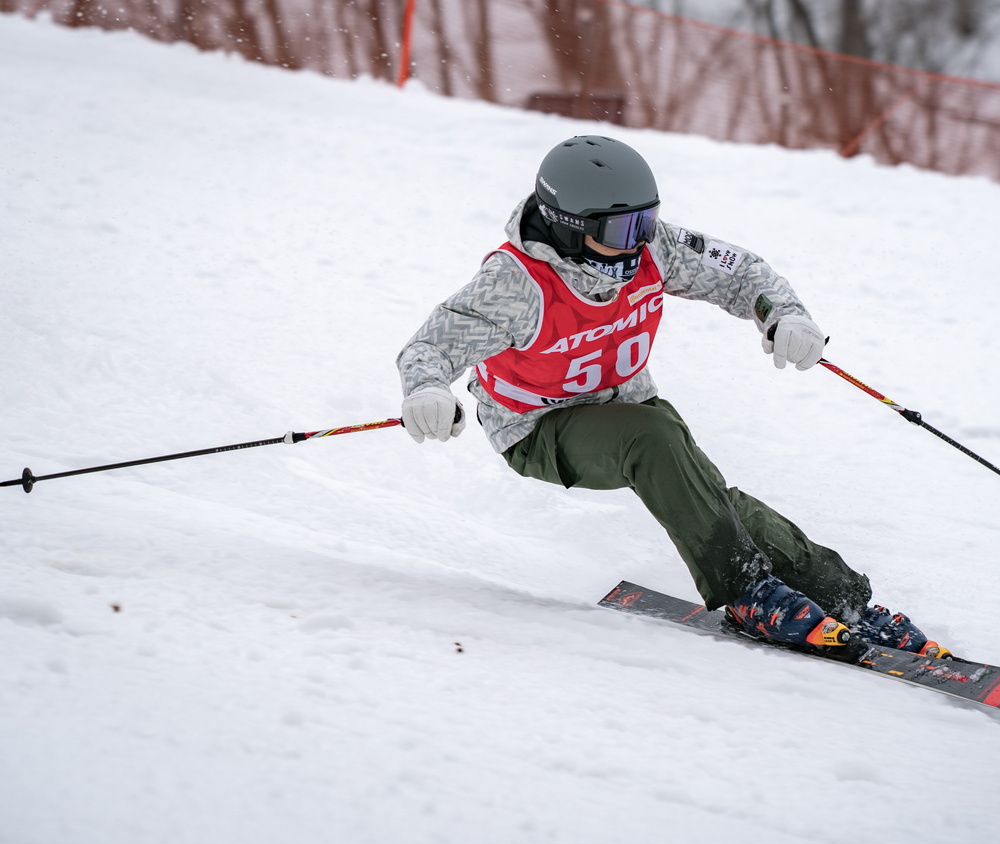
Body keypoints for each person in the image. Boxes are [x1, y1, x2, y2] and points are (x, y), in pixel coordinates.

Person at [396, 135, 944, 655]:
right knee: (654, 437)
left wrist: (783, 313)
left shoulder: (654, 249)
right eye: (619, 229)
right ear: (569, 226)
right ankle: (747, 593)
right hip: (538, 428)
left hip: (627, 409)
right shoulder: (515, 284)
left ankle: (842, 597)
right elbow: (431, 348)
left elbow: (740, 273)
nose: (636, 241)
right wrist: (426, 391)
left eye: (645, 222)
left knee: (712, 500)